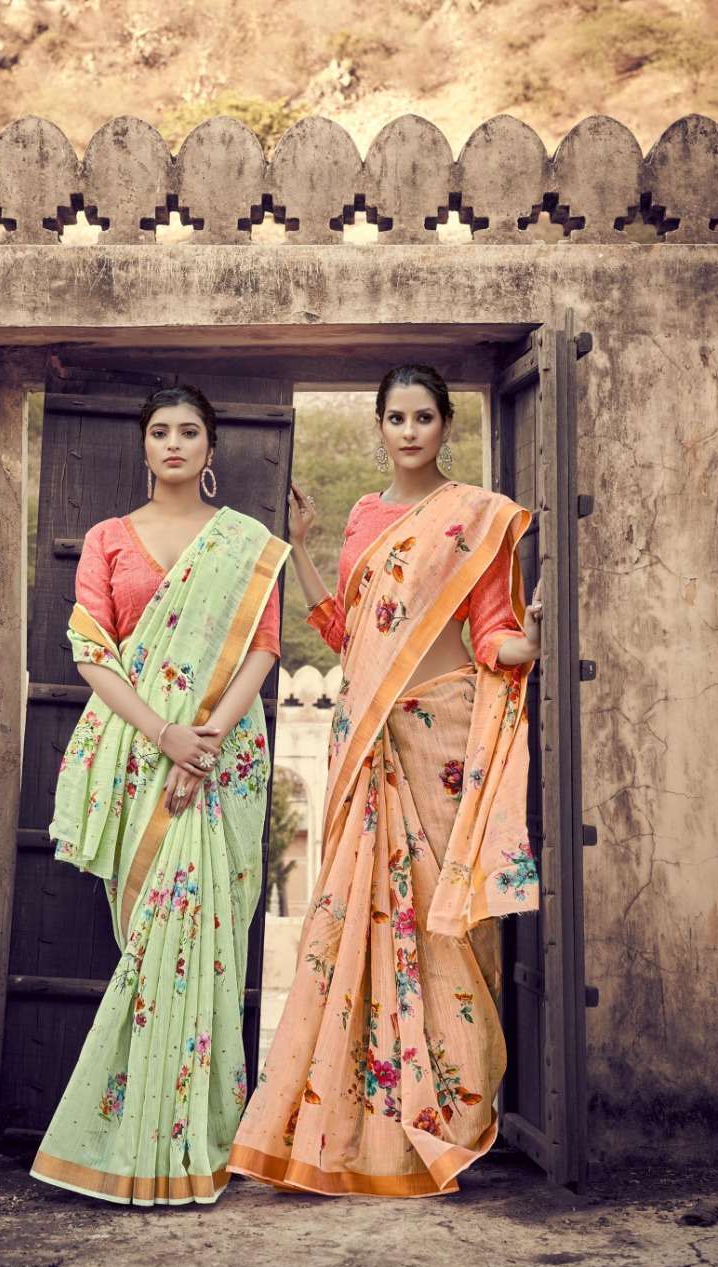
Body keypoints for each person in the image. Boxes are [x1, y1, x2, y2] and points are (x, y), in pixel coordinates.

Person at [229, 364, 542, 1198]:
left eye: (423, 417)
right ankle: (352, 1127)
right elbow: (347, 634)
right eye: (395, 418)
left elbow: (491, 631)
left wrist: (529, 643)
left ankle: (446, 1116)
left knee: (445, 921)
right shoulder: (364, 517)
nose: (409, 431)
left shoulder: (472, 516)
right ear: (379, 427)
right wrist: (301, 551)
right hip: (365, 735)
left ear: (445, 426)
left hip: (441, 737)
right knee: (357, 919)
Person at [30, 385, 289, 1206]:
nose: (173, 443)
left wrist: (204, 742)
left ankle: (193, 1140)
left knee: (203, 940)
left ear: (210, 449)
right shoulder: (108, 538)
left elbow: (263, 648)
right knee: (149, 942)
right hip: (137, 757)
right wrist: (165, 735)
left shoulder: (246, 544)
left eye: (189, 432)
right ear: (142, 445)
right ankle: (131, 1137)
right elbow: (91, 653)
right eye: (159, 431)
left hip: (223, 758)